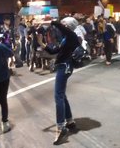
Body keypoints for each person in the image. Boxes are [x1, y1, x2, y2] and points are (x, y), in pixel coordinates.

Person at [37, 17, 80, 145]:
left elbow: (61, 28)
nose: (61, 26)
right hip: (63, 66)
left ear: (68, 26)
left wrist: (52, 21)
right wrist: (41, 43)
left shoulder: (72, 35)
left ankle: (61, 127)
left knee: (58, 96)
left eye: (64, 24)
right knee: (62, 95)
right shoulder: (66, 39)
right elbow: (54, 51)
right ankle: (70, 121)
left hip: (65, 66)